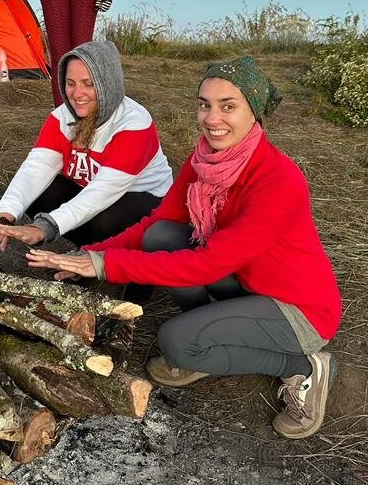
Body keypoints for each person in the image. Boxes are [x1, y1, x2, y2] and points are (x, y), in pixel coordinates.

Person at [27, 56, 343, 440]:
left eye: (228, 106)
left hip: (298, 309)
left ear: (254, 113)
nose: (212, 118)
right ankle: (210, 333)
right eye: (204, 105)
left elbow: (206, 265)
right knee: (162, 236)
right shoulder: (204, 161)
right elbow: (158, 221)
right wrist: (92, 253)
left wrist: (106, 265)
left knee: (176, 343)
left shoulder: (277, 180)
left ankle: (303, 368)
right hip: (248, 281)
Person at [0, 40, 172, 250]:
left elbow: (104, 190)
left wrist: (45, 227)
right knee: (40, 193)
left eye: (88, 84)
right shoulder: (61, 117)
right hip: (92, 190)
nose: (77, 94)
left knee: (102, 222)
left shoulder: (134, 124)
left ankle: (116, 255)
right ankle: (87, 249)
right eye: (70, 83)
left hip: (144, 200)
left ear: (108, 84)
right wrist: (4, 219)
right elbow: (37, 167)